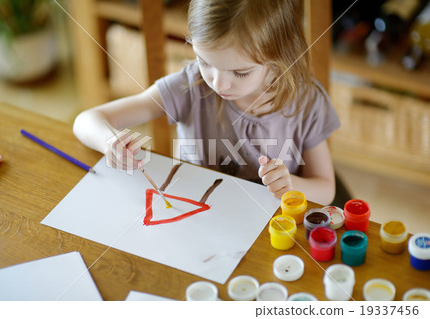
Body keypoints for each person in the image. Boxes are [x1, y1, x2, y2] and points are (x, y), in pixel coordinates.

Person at [73, 0, 340, 205]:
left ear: (280, 57)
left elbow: (326, 190)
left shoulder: (306, 102)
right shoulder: (190, 87)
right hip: (196, 213)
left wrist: (291, 184)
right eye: (204, 62)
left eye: (240, 72)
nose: (218, 83)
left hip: (268, 227)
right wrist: (109, 142)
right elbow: (87, 120)